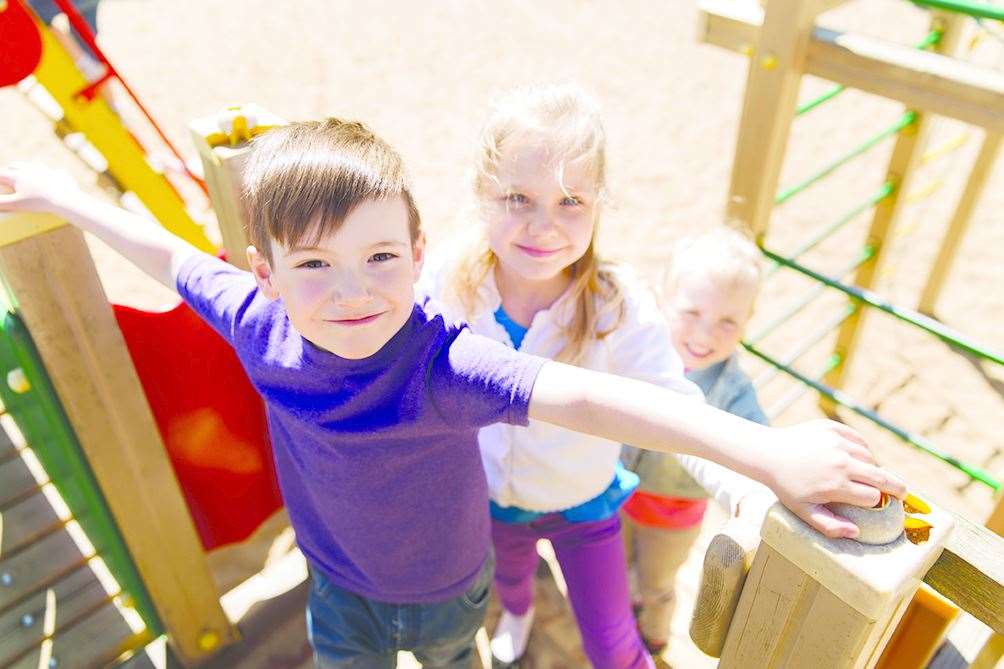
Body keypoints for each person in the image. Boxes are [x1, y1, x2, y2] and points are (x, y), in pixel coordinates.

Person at [0, 118, 903, 669]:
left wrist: (764, 452)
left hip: (448, 590)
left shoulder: (443, 364)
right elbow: (171, 257)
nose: (353, 291)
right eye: (315, 265)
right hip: (337, 585)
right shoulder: (255, 324)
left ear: (420, 252)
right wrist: (65, 196)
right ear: (263, 273)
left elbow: (589, 399)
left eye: (380, 258)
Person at [420, 84, 858, 668]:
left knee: (614, 643)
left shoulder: (615, 305)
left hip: (583, 507)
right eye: (518, 197)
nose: (543, 227)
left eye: (570, 201)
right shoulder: (451, 279)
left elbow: (676, 406)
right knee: (513, 579)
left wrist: (750, 487)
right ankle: (521, 613)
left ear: (599, 202)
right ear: (482, 193)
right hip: (491, 498)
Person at [621, 225, 769, 655]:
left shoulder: (732, 389)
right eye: (691, 313)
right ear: (662, 301)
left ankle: (653, 634)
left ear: (747, 322)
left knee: (656, 582)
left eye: (728, 321)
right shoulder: (644, 353)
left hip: (673, 513)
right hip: (618, 490)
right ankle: (621, 615)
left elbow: (759, 440)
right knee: (616, 567)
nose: (705, 335)